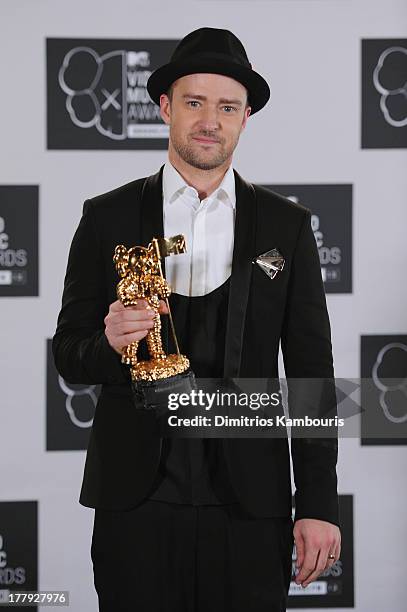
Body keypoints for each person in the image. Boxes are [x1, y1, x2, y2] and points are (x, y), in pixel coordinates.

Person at [53, 27, 341, 612]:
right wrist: (108, 344)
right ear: (164, 107)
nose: (210, 120)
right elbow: (69, 354)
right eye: (194, 102)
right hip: (136, 503)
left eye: (227, 106)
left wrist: (317, 503)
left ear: (245, 117)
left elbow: (312, 374)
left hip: (250, 505)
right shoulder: (106, 217)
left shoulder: (286, 226)